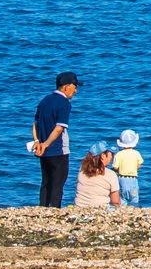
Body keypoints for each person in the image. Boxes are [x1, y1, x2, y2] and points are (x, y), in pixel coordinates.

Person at [29, 72, 79, 208]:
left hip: (43, 150)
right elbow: (59, 128)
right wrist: (45, 144)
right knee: (58, 182)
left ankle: (43, 207)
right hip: (58, 149)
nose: (76, 90)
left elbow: (35, 124)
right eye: (75, 86)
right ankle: (54, 209)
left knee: (46, 181)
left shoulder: (44, 100)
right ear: (66, 87)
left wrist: (37, 142)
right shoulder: (64, 103)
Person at [73, 142, 121, 208]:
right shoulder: (110, 174)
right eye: (111, 154)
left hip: (79, 207)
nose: (112, 157)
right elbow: (115, 201)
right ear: (103, 156)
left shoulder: (82, 169)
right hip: (100, 208)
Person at [112, 131, 143, 207]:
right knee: (134, 198)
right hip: (133, 180)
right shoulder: (136, 153)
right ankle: (134, 210)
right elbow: (139, 165)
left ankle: (123, 211)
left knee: (122, 198)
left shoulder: (118, 154)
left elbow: (115, 167)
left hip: (122, 179)